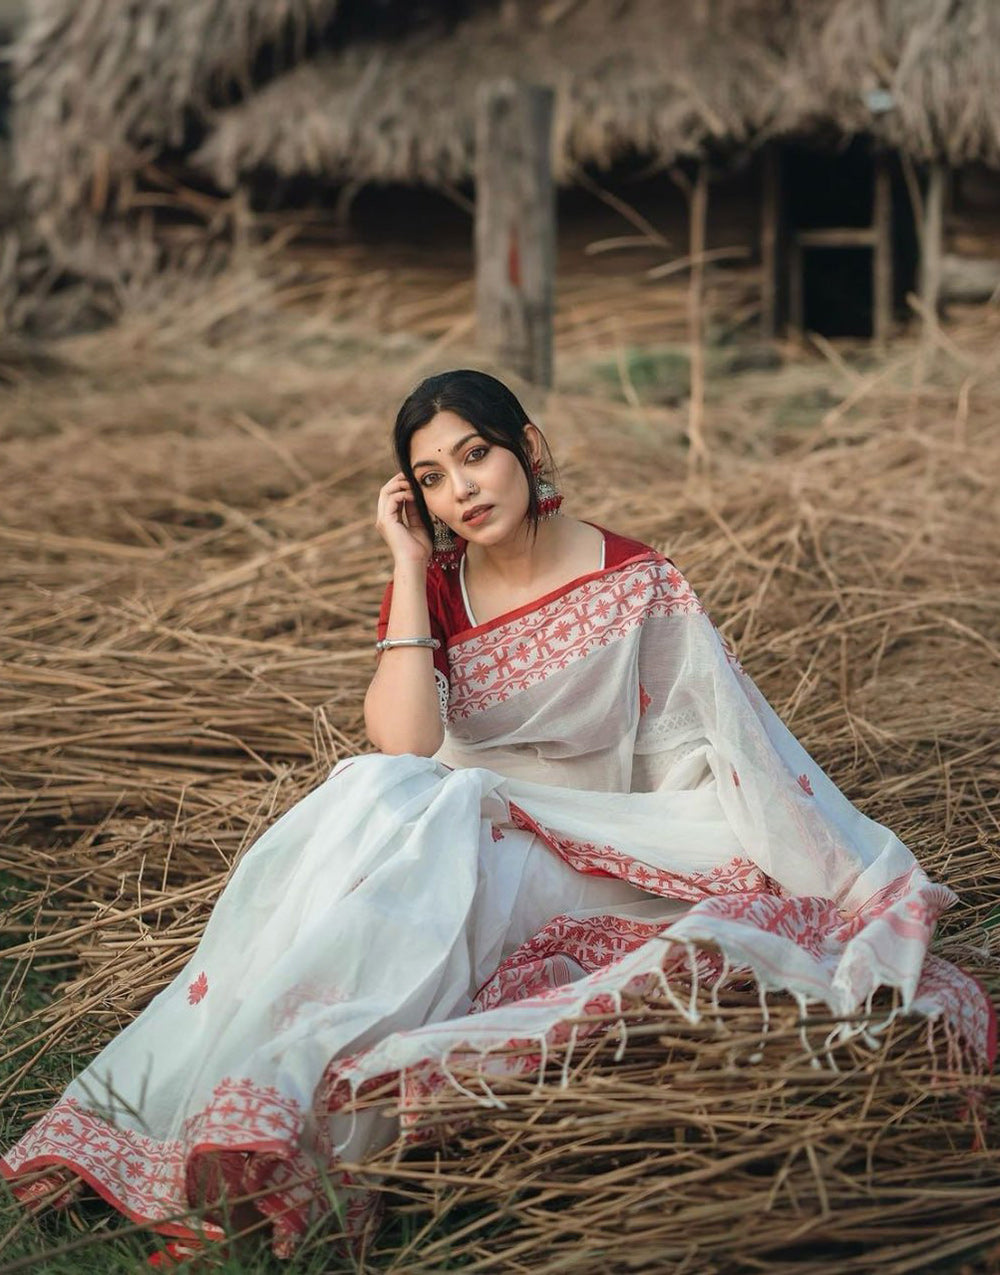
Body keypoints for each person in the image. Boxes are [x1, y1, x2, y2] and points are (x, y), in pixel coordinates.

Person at [2, 370, 993, 1258]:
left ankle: (271, 1134)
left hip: (593, 841)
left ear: (528, 447)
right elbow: (402, 741)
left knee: (403, 808)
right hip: (442, 823)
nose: (459, 489)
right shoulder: (434, 585)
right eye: (429, 477)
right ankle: (253, 1123)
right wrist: (402, 564)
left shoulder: (634, 579)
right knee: (381, 792)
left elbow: (726, 742)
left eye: (474, 454)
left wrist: (837, 874)